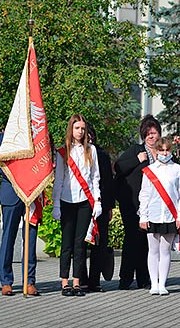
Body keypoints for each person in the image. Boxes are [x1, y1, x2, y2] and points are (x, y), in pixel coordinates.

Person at [52, 114, 102, 296]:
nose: (80, 132)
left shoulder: (92, 150)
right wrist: (56, 204)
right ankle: (64, 282)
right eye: (77, 128)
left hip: (85, 202)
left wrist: (97, 200)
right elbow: (58, 180)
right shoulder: (63, 151)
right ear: (71, 129)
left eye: (82, 128)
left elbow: (95, 177)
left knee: (80, 244)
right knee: (67, 244)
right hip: (67, 200)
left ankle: (77, 282)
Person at [114, 114, 161, 290]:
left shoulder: (162, 153)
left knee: (147, 242)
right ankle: (125, 278)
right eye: (148, 133)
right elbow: (119, 167)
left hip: (153, 206)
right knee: (132, 240)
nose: (151, 136)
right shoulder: (136, 150)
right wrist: (137, 160)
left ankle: (144, 277)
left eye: (154, 133)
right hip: (132, 204)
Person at [138, 137, 180, 295]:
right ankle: (154, 283)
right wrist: (143, 217)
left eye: (167, 150)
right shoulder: (150, 170)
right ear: (156, 151)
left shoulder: (177, 169)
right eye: (161, 150)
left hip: (170, 215)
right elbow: (144, 194)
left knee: (165, 250)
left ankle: (162, 283)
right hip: (152, 214)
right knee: (153, 250)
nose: (164, 153)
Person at [0, 131, 42, 296]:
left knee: (30, 239)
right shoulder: (6, 136)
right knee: (8, 237)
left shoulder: (40, 136)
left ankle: (29, 281)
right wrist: (21, 179)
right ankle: (6, 281)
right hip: (12, 191)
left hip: (32, 193)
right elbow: (1, 165)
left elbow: (45, 162)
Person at [84, 123, 115, 292]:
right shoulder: (74, 153)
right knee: (80, 245)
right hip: (80, 204)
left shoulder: (102, 154)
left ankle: (94, 281)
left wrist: (109, 206)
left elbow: (108, 182)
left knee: (99, 244)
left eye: (90, 135)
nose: (88, 138)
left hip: (100, 205)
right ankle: (80, 279)